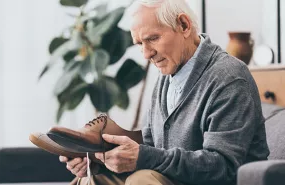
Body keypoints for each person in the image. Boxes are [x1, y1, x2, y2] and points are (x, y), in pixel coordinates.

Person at [59, 0, 270, 184]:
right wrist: (99, 161)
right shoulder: (167, 78)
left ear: (184, 25)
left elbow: (224, 167)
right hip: (172, 180)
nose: (146, 53)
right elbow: (151, 148)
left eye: (152, 38)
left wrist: (143, 157)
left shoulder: (229, 77)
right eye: (140, 43)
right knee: (93, 178)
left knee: (141, 179)